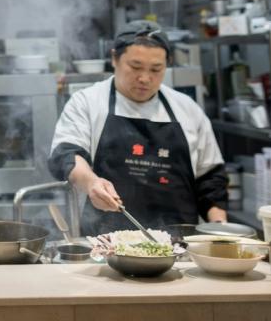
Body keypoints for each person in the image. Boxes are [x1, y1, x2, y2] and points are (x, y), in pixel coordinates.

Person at [49, 21, 228, 235]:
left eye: (156, 69)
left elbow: (210, 178)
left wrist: (220, 229)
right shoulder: (88, 102)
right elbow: (67, 154)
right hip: (104, 242)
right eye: (135, 67)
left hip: (180, 244)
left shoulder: (187, 109)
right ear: (114, 58)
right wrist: (91, 182)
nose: (145, 78)